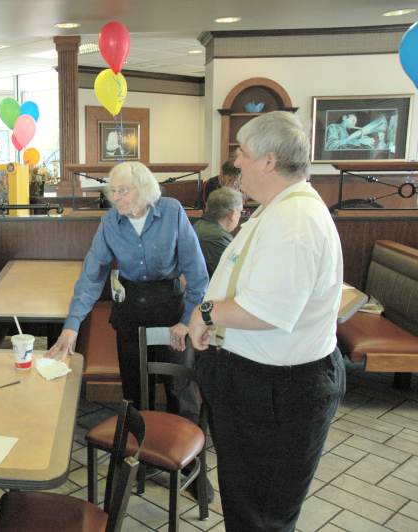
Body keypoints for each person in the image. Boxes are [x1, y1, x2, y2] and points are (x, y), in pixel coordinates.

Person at [189, 111, 345, 531]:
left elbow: (267, 312)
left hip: (278, 392)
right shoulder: (280, 207)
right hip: (262, 384)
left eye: (243, 152)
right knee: (246, 503)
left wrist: (205, 313)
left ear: (269, 161)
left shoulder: (295, 222)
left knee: (260, 514)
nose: (236, 162)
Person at [46, 161, 211, 498]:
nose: (116, 197)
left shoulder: (171, 211)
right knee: (136, 389)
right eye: (113, 191)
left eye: (124, 190)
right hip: (131, 308)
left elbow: (197, 273)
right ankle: (144, 456)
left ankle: (192, 465)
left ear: (145, 189)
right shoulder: (110, 223)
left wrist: (187, 320)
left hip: (170, 307)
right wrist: (71, 327)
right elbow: (92, 276)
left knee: (181, 389)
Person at [193, 187, 243, 276]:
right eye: (240, 212)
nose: (240, 216)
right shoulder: (218, 238)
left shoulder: (198, 225)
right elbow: (237, 274)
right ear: (232, 214)